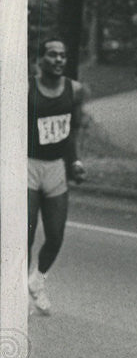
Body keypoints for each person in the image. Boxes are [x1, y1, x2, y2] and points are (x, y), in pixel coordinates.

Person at [27, 38, 86, 315]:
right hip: (27, 165)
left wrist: (74, 160)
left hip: (55, 169)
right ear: (40, 59)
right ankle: (15, 296)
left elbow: (71, 131)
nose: (59, 60)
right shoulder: (27, 88)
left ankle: (37, 282)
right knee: (24, 236)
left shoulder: (74, 90)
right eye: (53, 55)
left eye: (63, 55)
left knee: (56, 235)